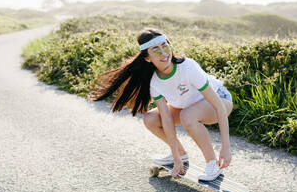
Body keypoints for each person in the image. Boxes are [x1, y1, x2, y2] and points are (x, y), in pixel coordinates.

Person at [90, 28, 233, 181]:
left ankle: (212, 164)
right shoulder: (154, 81)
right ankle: (179, 154)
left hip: (220, 101)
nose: (164, 53)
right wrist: (176, 156)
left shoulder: (187, 67)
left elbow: (218, 105)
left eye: (165, 45)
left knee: (187, 116)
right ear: (147, 58)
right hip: (188, 107)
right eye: (156, 50)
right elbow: (166, 119)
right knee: (150, 119)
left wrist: (226, 147)